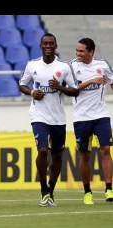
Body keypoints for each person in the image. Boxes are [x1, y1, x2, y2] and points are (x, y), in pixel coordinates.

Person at [19, 33, 79, 207]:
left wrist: (59, 87)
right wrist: (32, 92)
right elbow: (22, 84)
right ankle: (43, 189)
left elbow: (75, 91)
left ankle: (51, 192)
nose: (48, 46)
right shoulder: (32, 65)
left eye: (51, 43)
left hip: (58, 117)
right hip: (39, 115)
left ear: (55, 45)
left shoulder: (64, 67)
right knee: (43, 150)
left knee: (58, 155)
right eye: (45, 43)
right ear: (40, 45)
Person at [69, 37, 113, 205]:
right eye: (77, 50)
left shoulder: (102, 65)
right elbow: (71, 89)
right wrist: (91, 81)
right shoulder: (72, 66)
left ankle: (109, 189)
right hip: (81, 117)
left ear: (91, 52)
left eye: (81, 51)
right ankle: (87, 191)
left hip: (101, 115)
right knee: (85, 154)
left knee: (105, 150)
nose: (78, 53)